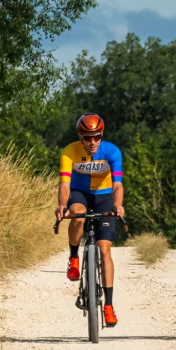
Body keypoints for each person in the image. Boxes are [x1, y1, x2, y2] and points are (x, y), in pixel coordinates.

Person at [55, 113, 125, 327]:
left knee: (105, 250)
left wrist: (118, 205)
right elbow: (65, 184)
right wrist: (61, 206)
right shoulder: (69, 152)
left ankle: (109, 305)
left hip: (104, 196)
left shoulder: (112, 151)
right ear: (80, 136)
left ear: (101, 135)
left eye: (96, 137)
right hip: (80, 193)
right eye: (87, 137)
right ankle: (74, 257)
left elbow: (117, 185)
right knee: (77, 215)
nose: (92, 142)